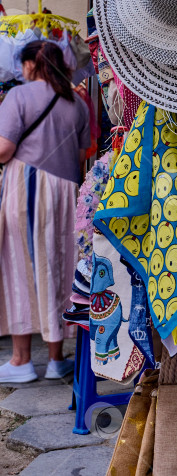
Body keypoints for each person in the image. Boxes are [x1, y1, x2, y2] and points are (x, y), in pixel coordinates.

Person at [0, 40, 90, 382]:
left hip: (28, 186)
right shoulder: (77, 103)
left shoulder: (18, 97)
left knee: (19, 266)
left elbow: (5, 149)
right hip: (65, 192)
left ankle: (21, 360)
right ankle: (56, 358)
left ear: (29, 66)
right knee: (58, 266)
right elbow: (83, 153)